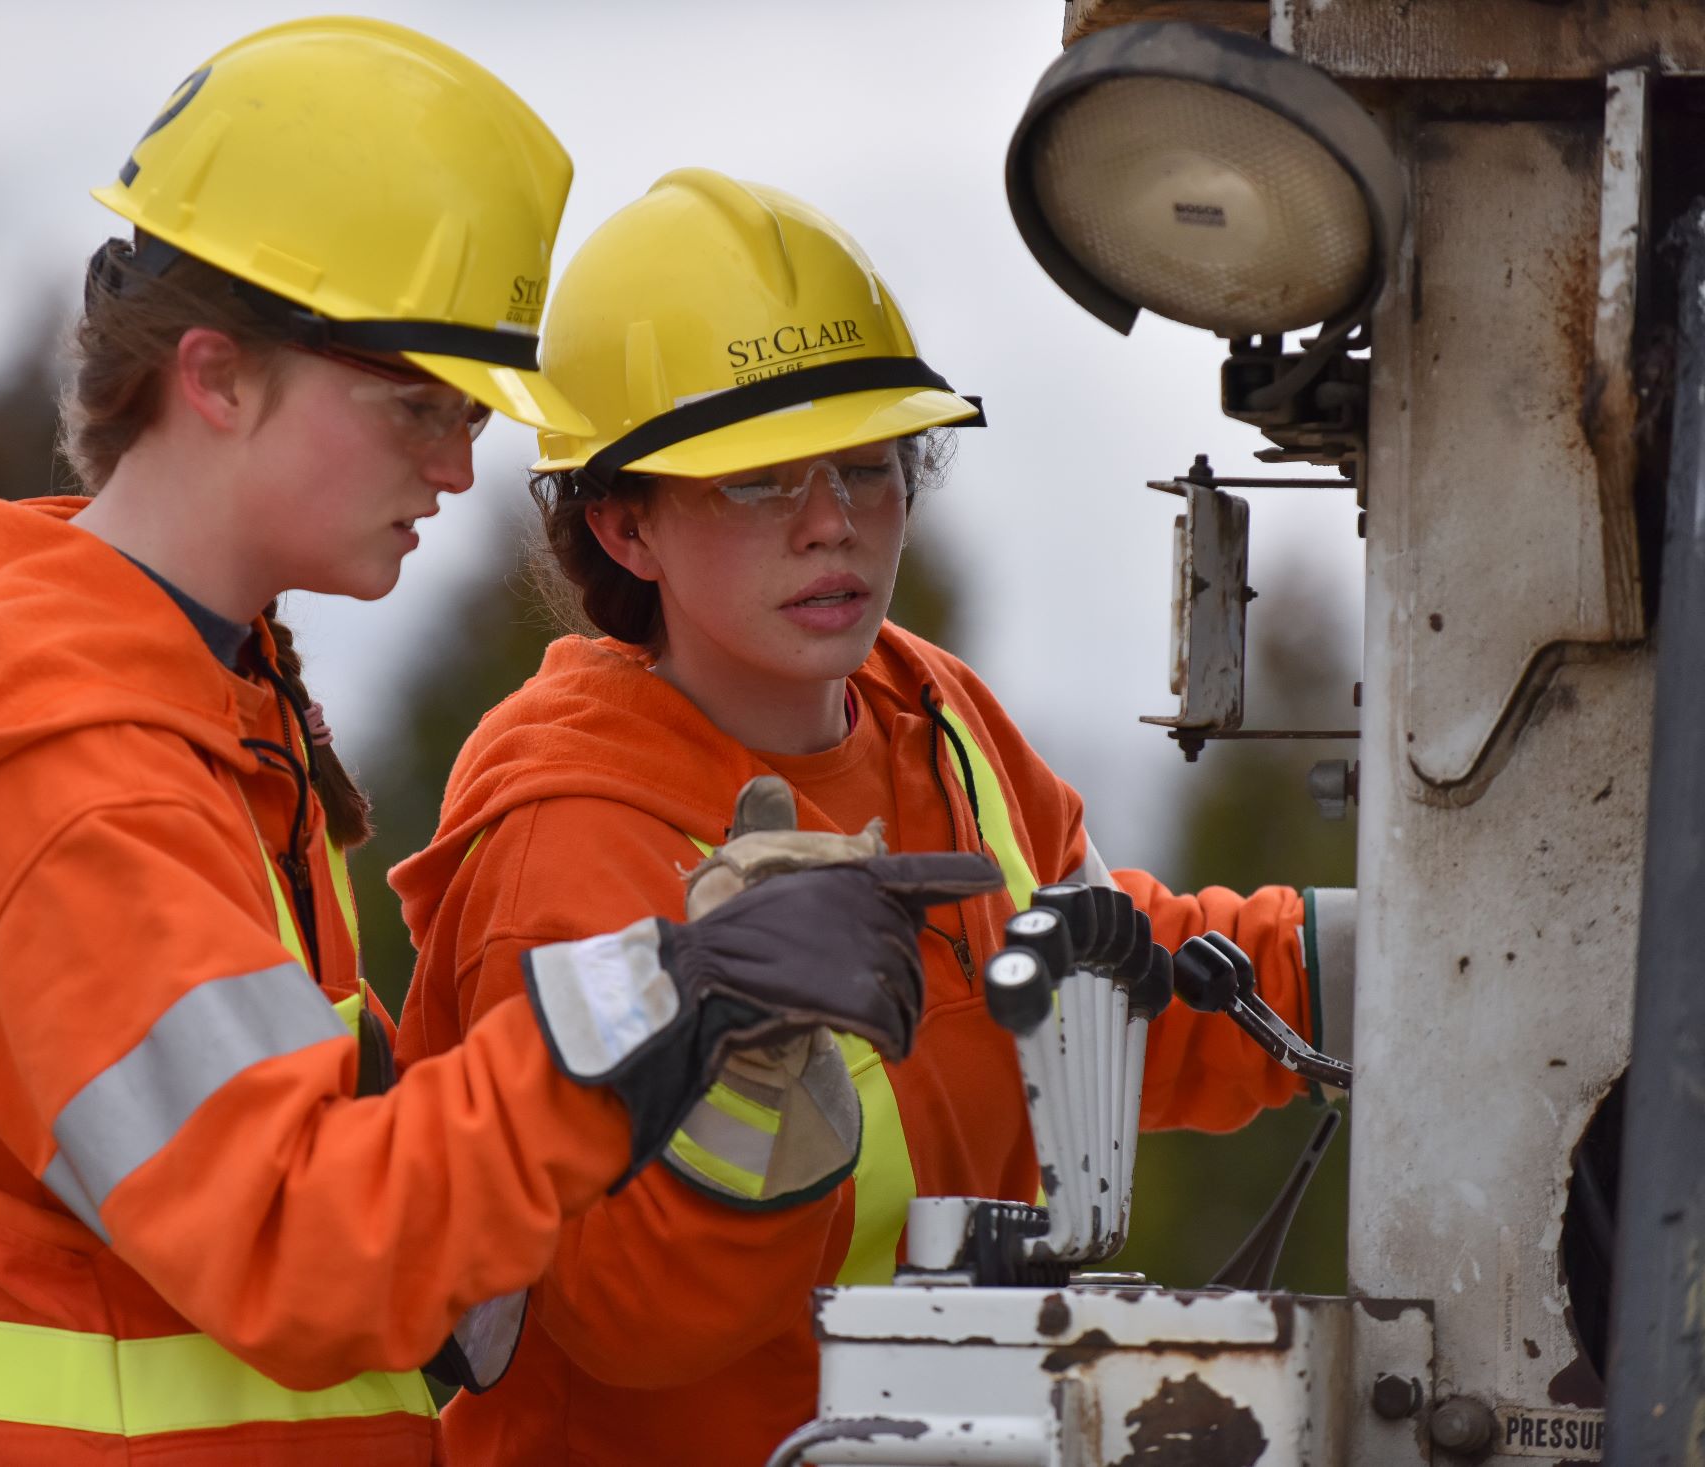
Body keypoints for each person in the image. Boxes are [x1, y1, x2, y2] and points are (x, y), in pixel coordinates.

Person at [0, 32, 997, 1464]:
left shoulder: (192, 720)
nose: (460, 465)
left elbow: (423, 1276)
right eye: (417, 405)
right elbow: (307, 1239)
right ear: (217, 375)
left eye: (470, 415)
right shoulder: (57, 773)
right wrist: (664, 994)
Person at [391, 169, 1354, 1466]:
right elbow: (624, 1323)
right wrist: (751, 1078)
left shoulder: (936, 710)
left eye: (869, 466)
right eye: (756, 484)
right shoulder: (570, 824)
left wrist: (1389, 967)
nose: (833, 523)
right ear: (624, 527)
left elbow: (1107, 986)